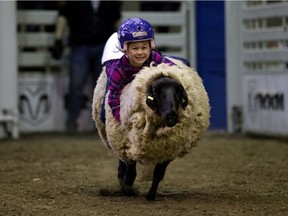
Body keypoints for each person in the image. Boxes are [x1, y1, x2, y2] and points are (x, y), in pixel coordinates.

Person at [50, 1, 122, 131]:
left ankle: (102, 124)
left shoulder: (110, 2)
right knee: (77, 86)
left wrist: (124, 40)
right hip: (80, 45)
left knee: (103, 87)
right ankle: (72, 123)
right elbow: (64, 16)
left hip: (101, 46)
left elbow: (117, 20)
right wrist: (58, 39)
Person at [105, 18, 176, 122]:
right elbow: (114, 99)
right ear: (125, 49)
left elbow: (173, 69)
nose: (140, 52)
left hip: (147, 93)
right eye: (135, 48)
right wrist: (122, 119)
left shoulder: (154, 57)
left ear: (150, 47)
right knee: (103, 114)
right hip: (115, 79)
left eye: (144, 48)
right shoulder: (118, 71)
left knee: (184, 62)